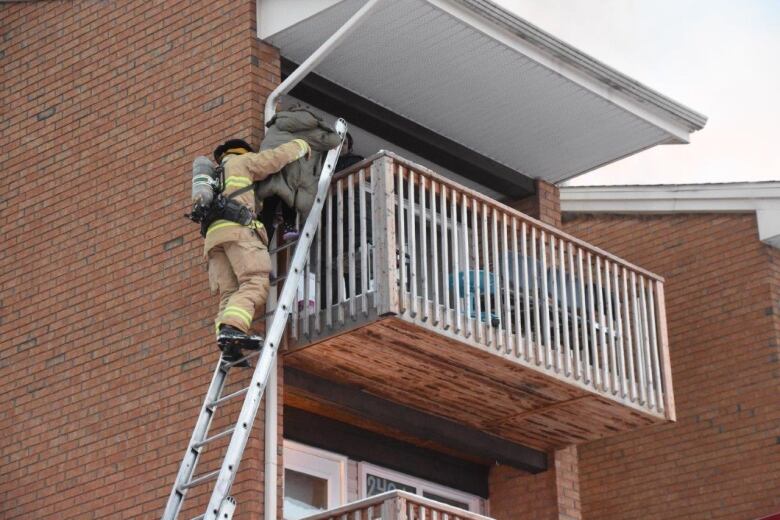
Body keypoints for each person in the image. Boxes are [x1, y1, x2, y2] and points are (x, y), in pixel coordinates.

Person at [206, 137, 311, 365]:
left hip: (214, 241)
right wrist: (300, 146)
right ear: (242, 151)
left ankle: (227, 344)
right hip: (238, 232)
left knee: (230, 292)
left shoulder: (213, 177)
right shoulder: (241, 162)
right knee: (255, 281)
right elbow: (272, 160)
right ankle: (233, 329)